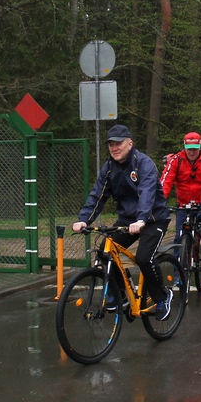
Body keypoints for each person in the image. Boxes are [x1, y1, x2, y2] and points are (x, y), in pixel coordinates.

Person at [71, 124, 173, 321]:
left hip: (153, 219)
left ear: (130, 143)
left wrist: (142, 218)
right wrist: (83, 219)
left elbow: (147, 193)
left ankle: (162, 297)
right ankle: (121, 295)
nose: (114, 148)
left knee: (144, 258)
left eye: (118, 143)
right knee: (105, 250)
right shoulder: (109, 168)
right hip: (127, 221)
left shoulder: (144, 164)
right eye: (111, 144)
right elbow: (97, 195)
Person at [160, 132, 201, 260]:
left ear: (200, 147)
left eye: (195, 149)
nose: (192, 152)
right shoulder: (175, 160)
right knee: (179, 236)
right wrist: (159, 202)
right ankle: (178, 276)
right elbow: (165, 182)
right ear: (184, 147)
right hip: (184, 200)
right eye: (189, 149)